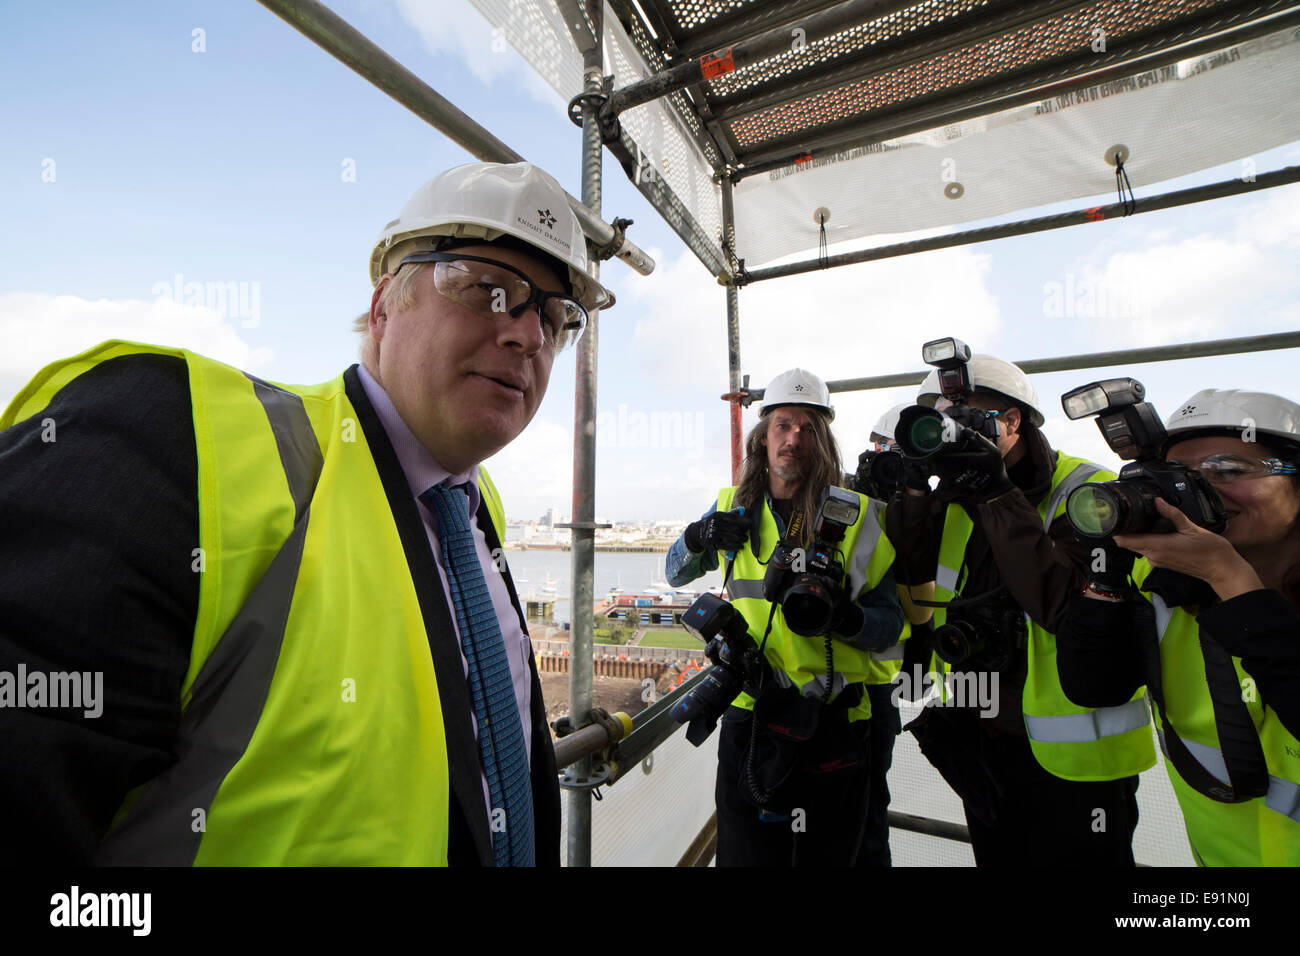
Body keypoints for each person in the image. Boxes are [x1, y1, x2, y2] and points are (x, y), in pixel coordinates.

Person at [0, 161, 613, 866]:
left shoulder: (476, 510)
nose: (529, 336)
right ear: (385, 306)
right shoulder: (177, 438)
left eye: (553, 315)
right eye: (487, 289)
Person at [889, 351, 1152, 866]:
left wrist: (996, 491)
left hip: (1078, 766)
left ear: (1013, 422)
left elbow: (1058, 605)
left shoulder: (1089, 491)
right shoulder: (956, 499)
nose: (953, 433)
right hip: (984, 743)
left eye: (968, 420)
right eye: (943, 420)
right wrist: (915, 485)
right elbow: (908, 568)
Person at [666, 368, 906, 866]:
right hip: (752, 710)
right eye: (783, 426)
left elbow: (890, 629)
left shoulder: (862, 516)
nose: (793, 439)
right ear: (763, 437)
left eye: (808, 429)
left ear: (823, 442)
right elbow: (673, 574)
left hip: (834, 718)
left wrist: (846, 619)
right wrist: (697, 536)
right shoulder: (732, 507)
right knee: (745, 858)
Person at [1057, 388, 1300, 866]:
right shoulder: (1167, 584)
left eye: (1229, 470)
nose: (1205, 491)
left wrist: (1230, 579)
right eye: (1184, 478)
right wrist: (1104, 579)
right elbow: (1093, 687)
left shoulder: (1210, 577)